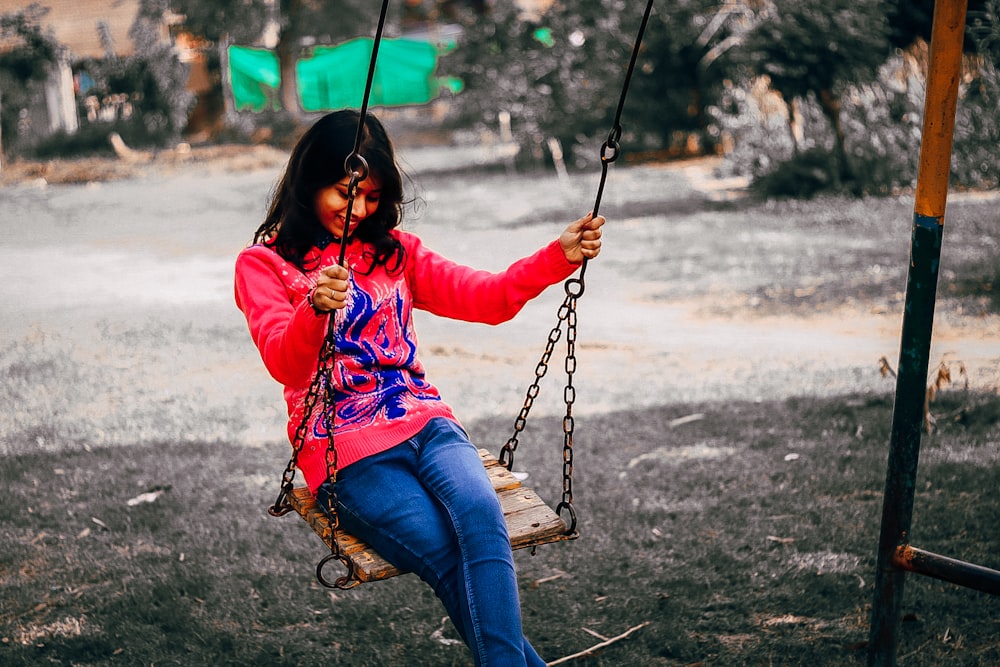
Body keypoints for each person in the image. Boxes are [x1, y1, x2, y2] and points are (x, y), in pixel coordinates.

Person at [234, 109, 603, 667]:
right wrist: (315, 308)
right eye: (344, 192)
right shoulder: (265, 265)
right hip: (348, 453)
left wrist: (558, 257)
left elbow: (488, 297)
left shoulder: (396, 252)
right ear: (309, 181)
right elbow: (284, 363)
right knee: (449, 559)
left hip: (429, 427)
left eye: (372, 197)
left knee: (481, 523)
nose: (357, 210)